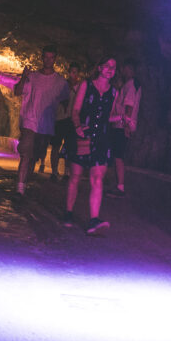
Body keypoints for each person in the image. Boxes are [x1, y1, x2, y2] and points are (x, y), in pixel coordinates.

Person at [63, 56, 117, 234]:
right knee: (75, 176)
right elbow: (75, 110)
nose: (110, 69)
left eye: (113, 67)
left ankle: (94, 220)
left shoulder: (114, 92)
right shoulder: (86, 85)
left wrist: (122, 118)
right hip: (83, 135)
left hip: (101, 138)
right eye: (107, 65)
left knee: (97, 178)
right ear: (99, 68)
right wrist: (78, 127)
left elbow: (109, 116)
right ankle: (68, 213)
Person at [14, 45, 70, 196]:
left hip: (45, 126)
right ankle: (20, 189)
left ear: (55, 59)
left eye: (51, 57)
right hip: (29, 122)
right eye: (46, 57)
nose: (48, 60)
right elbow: (17, 91)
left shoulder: (60, 82)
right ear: (42, 58)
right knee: (26, 155)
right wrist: (24, 77)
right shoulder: (32, 77)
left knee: (34, 157)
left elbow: (66, 100)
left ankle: (24, 183)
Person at [106, 58, 142, 197]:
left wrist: (126, 126)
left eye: (124, 68)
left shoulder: (131, 85)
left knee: (118, 156)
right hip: (120, 124)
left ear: (129, 68)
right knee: (117, 155)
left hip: (122, 125)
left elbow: (129, 107)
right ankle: (117, 184)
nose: (121, 70)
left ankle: (120, 187)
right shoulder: (130, 84)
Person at [48, 66, 81, 182]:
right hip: (60, 119)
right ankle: (54, 172)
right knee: (56, 146)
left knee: (69, 147)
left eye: (75, 72)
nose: (73, 75)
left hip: (71, 120)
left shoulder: (80, 87)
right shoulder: (62, 85)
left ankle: (67, 172)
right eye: (72, 72)